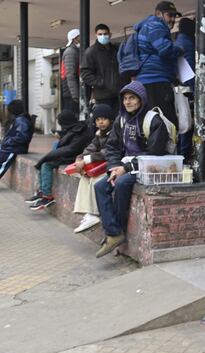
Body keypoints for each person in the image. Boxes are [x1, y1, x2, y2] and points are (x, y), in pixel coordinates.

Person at [94, 81, 170, 258]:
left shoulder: (153, 120)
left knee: (122, 183)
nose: (127, 102)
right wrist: (113, 167)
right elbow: (112, 147)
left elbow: (155, 152)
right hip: (123, 166)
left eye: (132, 98)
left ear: (141, 99)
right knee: (100, 187)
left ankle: (117, 231)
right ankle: (114, 233)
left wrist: (126, 168)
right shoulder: (121, 120)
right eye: (125, 99)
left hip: (147, 167)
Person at [133, 1, 183, 126]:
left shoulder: (147, 26)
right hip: (156, 80)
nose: (173, 19)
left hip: (147, 80)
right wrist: (180, 49)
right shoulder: (156, 25)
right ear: (158, 14)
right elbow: (165, 49)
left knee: (151, 121)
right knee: (166, 122)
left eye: (174, 16)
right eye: (169, 15)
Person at [27, 110, 90, 211]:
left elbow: (71, 149)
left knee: (46, 165)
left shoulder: (80, 132)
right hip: (69, 154)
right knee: (45, 160)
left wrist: (48, 156)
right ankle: (41, 191)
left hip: (74, 157)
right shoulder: (75, 128)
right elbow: (68, 138)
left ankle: (47, 196)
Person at [72, 104, 115, 233]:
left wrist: (86, 160)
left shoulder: (115, 133)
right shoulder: (99, 134)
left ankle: (93, 214)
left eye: (104, 119)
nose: (101, 122)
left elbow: (106, 152)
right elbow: (90, 148)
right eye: (98, 119)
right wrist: (79, 158)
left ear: (110, 120)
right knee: (85, 177)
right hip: (102, 166)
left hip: (114, 166)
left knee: (96, 180)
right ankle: (87, 214)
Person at [80, 24, 124, 113]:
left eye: (105, 34)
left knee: (119, 119)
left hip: (119, 94)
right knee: (105, 120)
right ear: (96, 35)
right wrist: (101, 82)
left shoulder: (116, 49)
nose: (103, 36)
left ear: (110, 35)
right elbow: (85, 74)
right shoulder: (91, 52)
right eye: (100, 34)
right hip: (102, 96)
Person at [175, 17, 196, 160]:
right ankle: (184, 157)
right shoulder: (188, 44)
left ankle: (181, 155)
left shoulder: (177, 42)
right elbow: (190, 69)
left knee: (181, 123)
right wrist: (195, 90)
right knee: (187, 124)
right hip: (186, 90)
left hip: (178, 89)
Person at [0, 100, 34, 179]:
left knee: (2, 164)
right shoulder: (19, 119)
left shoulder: (21, 120)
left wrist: (7, 141)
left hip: (14, 149)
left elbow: (22, 137)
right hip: (10, 147)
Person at [61, 28, 81, 114]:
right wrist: (75, 95)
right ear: (74, 39)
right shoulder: (71, 52)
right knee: (73, 117)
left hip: (71, 92)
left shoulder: (75, 51)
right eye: (79, 36)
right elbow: (70, 75)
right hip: (71, 94)